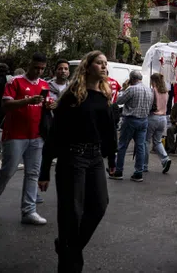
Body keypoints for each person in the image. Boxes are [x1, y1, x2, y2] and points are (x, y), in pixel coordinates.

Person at [39, 51, 117, 273]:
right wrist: (44, 169)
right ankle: (71, 265)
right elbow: (55, 133)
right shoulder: (73, 96)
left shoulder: (104, 94)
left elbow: (109, 130)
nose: (104, 67)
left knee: (100, 205)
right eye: (99, 63)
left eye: (105, 64)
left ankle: (67, 249)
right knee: (71, 214)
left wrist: (112, 158)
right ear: (88, 66)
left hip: (94, 158)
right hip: (72, 157)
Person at [0, 53, 55, 225]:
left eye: (42, 69)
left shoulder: (44, 84)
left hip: (36, 135)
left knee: (32, 173)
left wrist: (50, 105)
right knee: (7, 171)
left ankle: (29, 210)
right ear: (29, 64)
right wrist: (27, 101)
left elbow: (47, 104)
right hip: (15, 134)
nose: (38, 71)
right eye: (36, 67)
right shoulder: (15, 82)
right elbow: (5, 104)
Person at [110, 70, 153, 182]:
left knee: (122, 145)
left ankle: (118, 171)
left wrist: (123, 90)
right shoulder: (149, 90)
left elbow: (119, 100)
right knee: (140, 146)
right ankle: (138, 172)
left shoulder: (132, 89)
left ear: (131, 79)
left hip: (131, 119)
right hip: (144, 120)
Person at [144, 73, 172, 174]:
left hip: (153, 117)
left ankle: (144, 165)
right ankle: (165, 159)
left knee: (146, 141)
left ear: (154, 81)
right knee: (158, 141)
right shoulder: (166, 92)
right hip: (163, 118)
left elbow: (150, 104)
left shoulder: (153, 91)